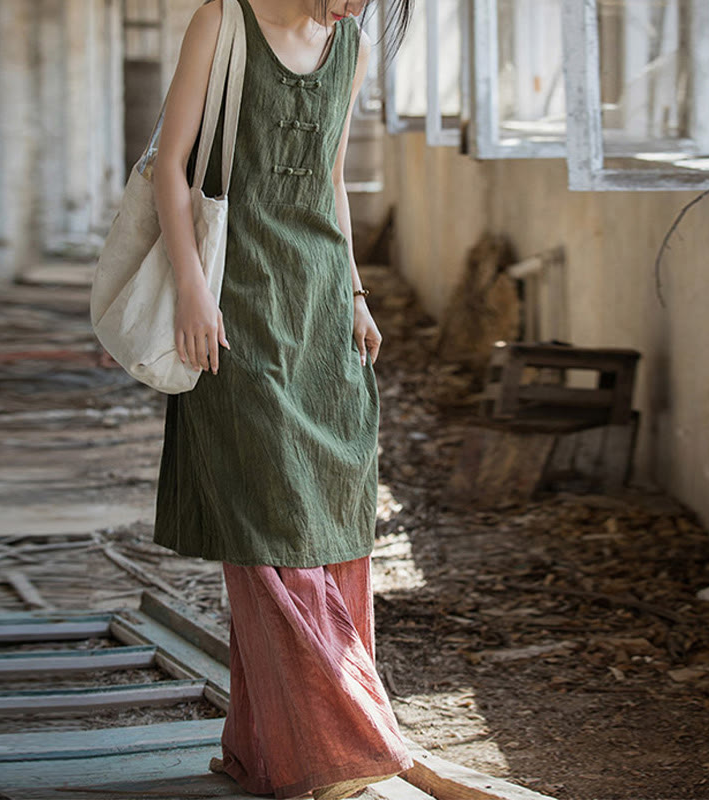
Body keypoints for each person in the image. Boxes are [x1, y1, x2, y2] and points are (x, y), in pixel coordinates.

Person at [151, 0, 415, 797]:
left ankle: (275, 750)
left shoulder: (351, 45)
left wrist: (358, 294)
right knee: (267, 521)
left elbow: (330, 177)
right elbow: (171, 164)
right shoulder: (222, 22)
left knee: (333, 519)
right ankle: (341, 743)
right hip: (236, 306)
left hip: (321, 306)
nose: (352, 8)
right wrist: (192, 292)